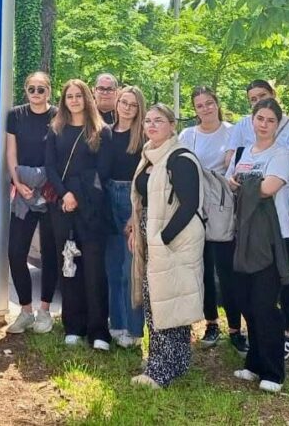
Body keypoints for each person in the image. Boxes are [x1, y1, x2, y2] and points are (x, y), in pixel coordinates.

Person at [225, 79, 289, 358]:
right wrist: (242, 182)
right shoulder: (245, 152)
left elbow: (268, 188)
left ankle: (273, 367)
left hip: (273, 234)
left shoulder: (281, 154)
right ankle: (254, 362)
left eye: (270, 120)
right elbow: (229, 180)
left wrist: (242, 183)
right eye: (259, 118)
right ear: (252, 120)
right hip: (244, 231)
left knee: (264, 302)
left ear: (277, 124)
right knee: (246, 299)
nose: (264, 124)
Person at [127, 103, 204, 389]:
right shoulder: (150, 155)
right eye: (148, 120)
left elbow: (190, 205)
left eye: (158, 120)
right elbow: (143, 199)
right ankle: (176, 362)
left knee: (165, 303)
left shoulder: (180, 159)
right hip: (153, 234)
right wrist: (137, 229)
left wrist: (162, 239)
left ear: (172, 125)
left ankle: (160, 371)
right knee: (164, 301)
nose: (151, 125)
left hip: (174, 239)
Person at [45, 78, 111, 351]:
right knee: (68, 267)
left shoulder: (101, 131)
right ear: (64, 101)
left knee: (94, 270)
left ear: (87, 98)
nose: (74, 100)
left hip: (92, 209)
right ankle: (73, 326)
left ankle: (98, 331)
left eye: (78, 95)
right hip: (64, 208)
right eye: (69, 96)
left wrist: (78, 197)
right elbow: (50, 167)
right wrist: (65, 195)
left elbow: (102, 171)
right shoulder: (55, 130)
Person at [180, 86, 246, 354]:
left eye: (209, 103)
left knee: (227, 270)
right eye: (199, 105)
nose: (205, 108)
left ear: (217, 103)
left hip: (222, 207)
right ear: (194, 110)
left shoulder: (233, 132)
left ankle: (236, 329)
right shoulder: (187, 135)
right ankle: (211, 324)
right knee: (203, 270)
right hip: (196, 208)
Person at [4, 71, 58, 336]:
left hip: (50, 192)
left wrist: (52, 186)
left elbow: (61, 154)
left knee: (50, 253)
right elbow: (11, 152)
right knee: (16, 252)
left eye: (41, 89)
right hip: (24, 192)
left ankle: (45, 311)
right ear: (25, 90)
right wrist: (17, 182)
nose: (36, 94)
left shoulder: (58, 115)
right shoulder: (15, 115)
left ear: (49, 91)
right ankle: (25, 311)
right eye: (31, 89)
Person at [98, 85, 145, 349]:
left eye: (133, 104)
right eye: (123, 102)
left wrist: (135, 216)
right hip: (108, 197)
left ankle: (134, 328)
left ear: (139, 109)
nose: (127, 108)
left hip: (132, 198)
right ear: (116, 103)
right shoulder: (105, 133)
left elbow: (146, 178)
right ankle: (116, 323)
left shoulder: (143, 137)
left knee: (130, 271)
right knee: (113, 269)